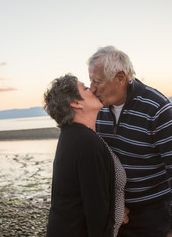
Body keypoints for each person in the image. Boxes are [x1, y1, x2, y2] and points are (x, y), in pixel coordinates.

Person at [87, 46, 172, 237]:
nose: (92, 88)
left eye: (97, 81)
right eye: (91, 81)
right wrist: (115, 204)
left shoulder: (157, 109)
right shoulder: (99, 110)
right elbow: (99, 165)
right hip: (117, 213)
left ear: (120, 78)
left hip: (154, 215)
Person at [44, 74, 127, 237]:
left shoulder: (74, 136)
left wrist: (116, 209)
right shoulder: (86, 143)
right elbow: (96, 210)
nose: (93, 89)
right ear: (75, 103)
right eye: (85, 88)